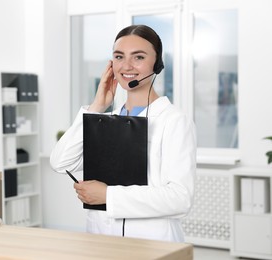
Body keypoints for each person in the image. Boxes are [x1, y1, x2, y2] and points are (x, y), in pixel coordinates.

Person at [50, 24, 196, 242]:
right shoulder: (106, 120)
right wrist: (96, 107)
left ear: (157, 64)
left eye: (138, 57)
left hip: (152, 242)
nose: (126, 65)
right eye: (119, 57)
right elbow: (60, 163)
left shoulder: (173, 121)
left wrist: (108, 195)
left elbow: (180, 198)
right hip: (102, 239)